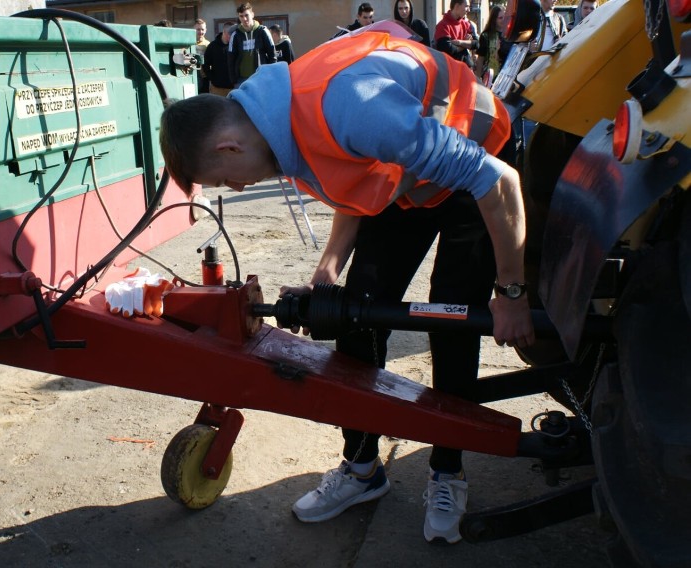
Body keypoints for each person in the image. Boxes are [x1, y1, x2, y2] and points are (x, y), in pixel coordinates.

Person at [160, 21, 535, 544]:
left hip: (476, 160)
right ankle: (362, 469)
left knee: (453, 317)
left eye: (226, 180)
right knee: (355, 312)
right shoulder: (274, 122)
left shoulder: (348, 105)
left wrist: (511, 294)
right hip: (411, 174)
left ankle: (448, 470)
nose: (238, 187)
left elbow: (499, 181)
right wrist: (328, 270)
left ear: (227, 148)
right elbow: (355, 183)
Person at [228, 2, 277, 87]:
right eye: (241, 16)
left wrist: (269, 75)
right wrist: (233, 80)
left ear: (252, 15)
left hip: (260, 77)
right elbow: (231, 59)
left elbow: (272, 55)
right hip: (241, 79)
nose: (244, 19)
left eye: (246, 15)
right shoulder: (235, 35)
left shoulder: (262, 31)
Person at [434, 0, 478, 70]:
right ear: (457, 6)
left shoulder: (466, 24)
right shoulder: (442, 25)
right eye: (466, 6)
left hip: (466, 69)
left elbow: (476, 44)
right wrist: (466, 44)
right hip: (449, 70)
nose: (468, 10)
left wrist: (460, 42)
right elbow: (448, 49)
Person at [475, 5, 511, 86]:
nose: (503, 20)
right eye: (500, 18)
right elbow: (480, 58)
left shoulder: (510, 35)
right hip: (490, 77)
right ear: (494, 19)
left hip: (506, 77)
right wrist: (477, 79)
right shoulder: (486, 36)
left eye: (505, 17)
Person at [204, 22, 235, 96]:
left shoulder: (235, 45)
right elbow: (205, 64)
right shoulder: (212, 46)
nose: (231, 36)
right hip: (217, 88)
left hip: (233, 87)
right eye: (229, 33)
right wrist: (213, 79)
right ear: (224, 32)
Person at [193, 18, 210, 94]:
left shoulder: (208, 45)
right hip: (191, 76)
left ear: (206, 30)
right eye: (198, 29)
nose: (200, 32)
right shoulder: (188, 44)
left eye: (202, 29)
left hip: (204, 78)